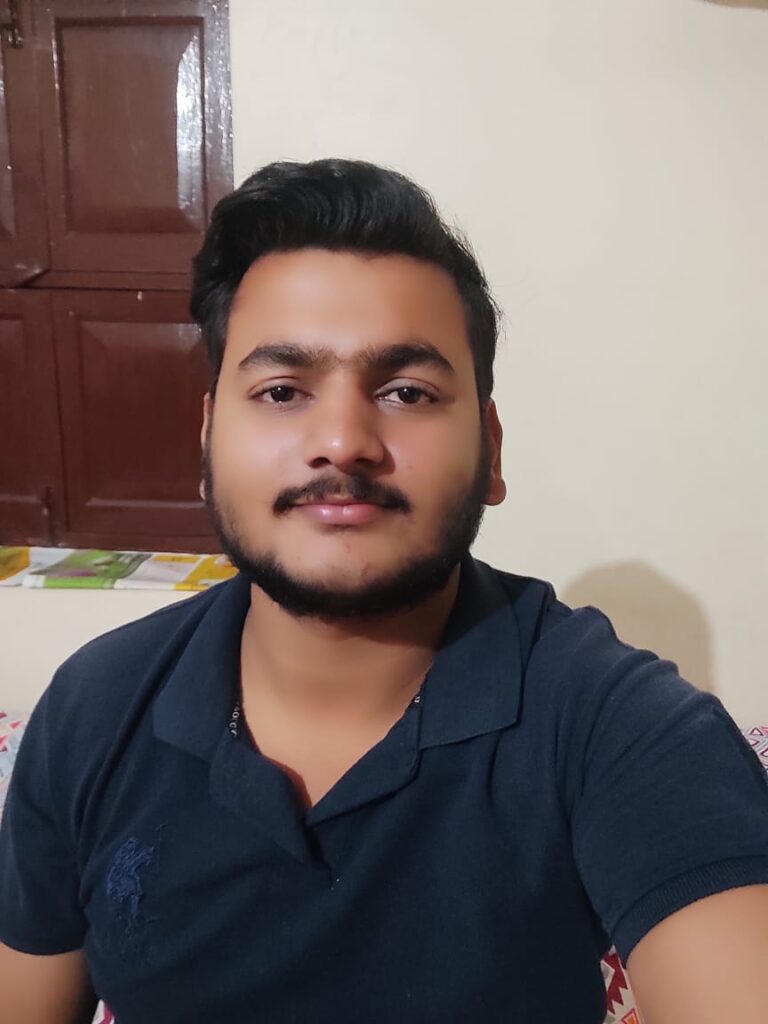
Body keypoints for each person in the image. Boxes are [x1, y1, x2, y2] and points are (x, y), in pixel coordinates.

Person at [1, 159, 767, 1024]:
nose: (342, 441)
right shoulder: (97, 707)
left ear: (491, 451)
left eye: (406, 391)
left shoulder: (619, 727)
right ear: (208, 441)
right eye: (282, 391)